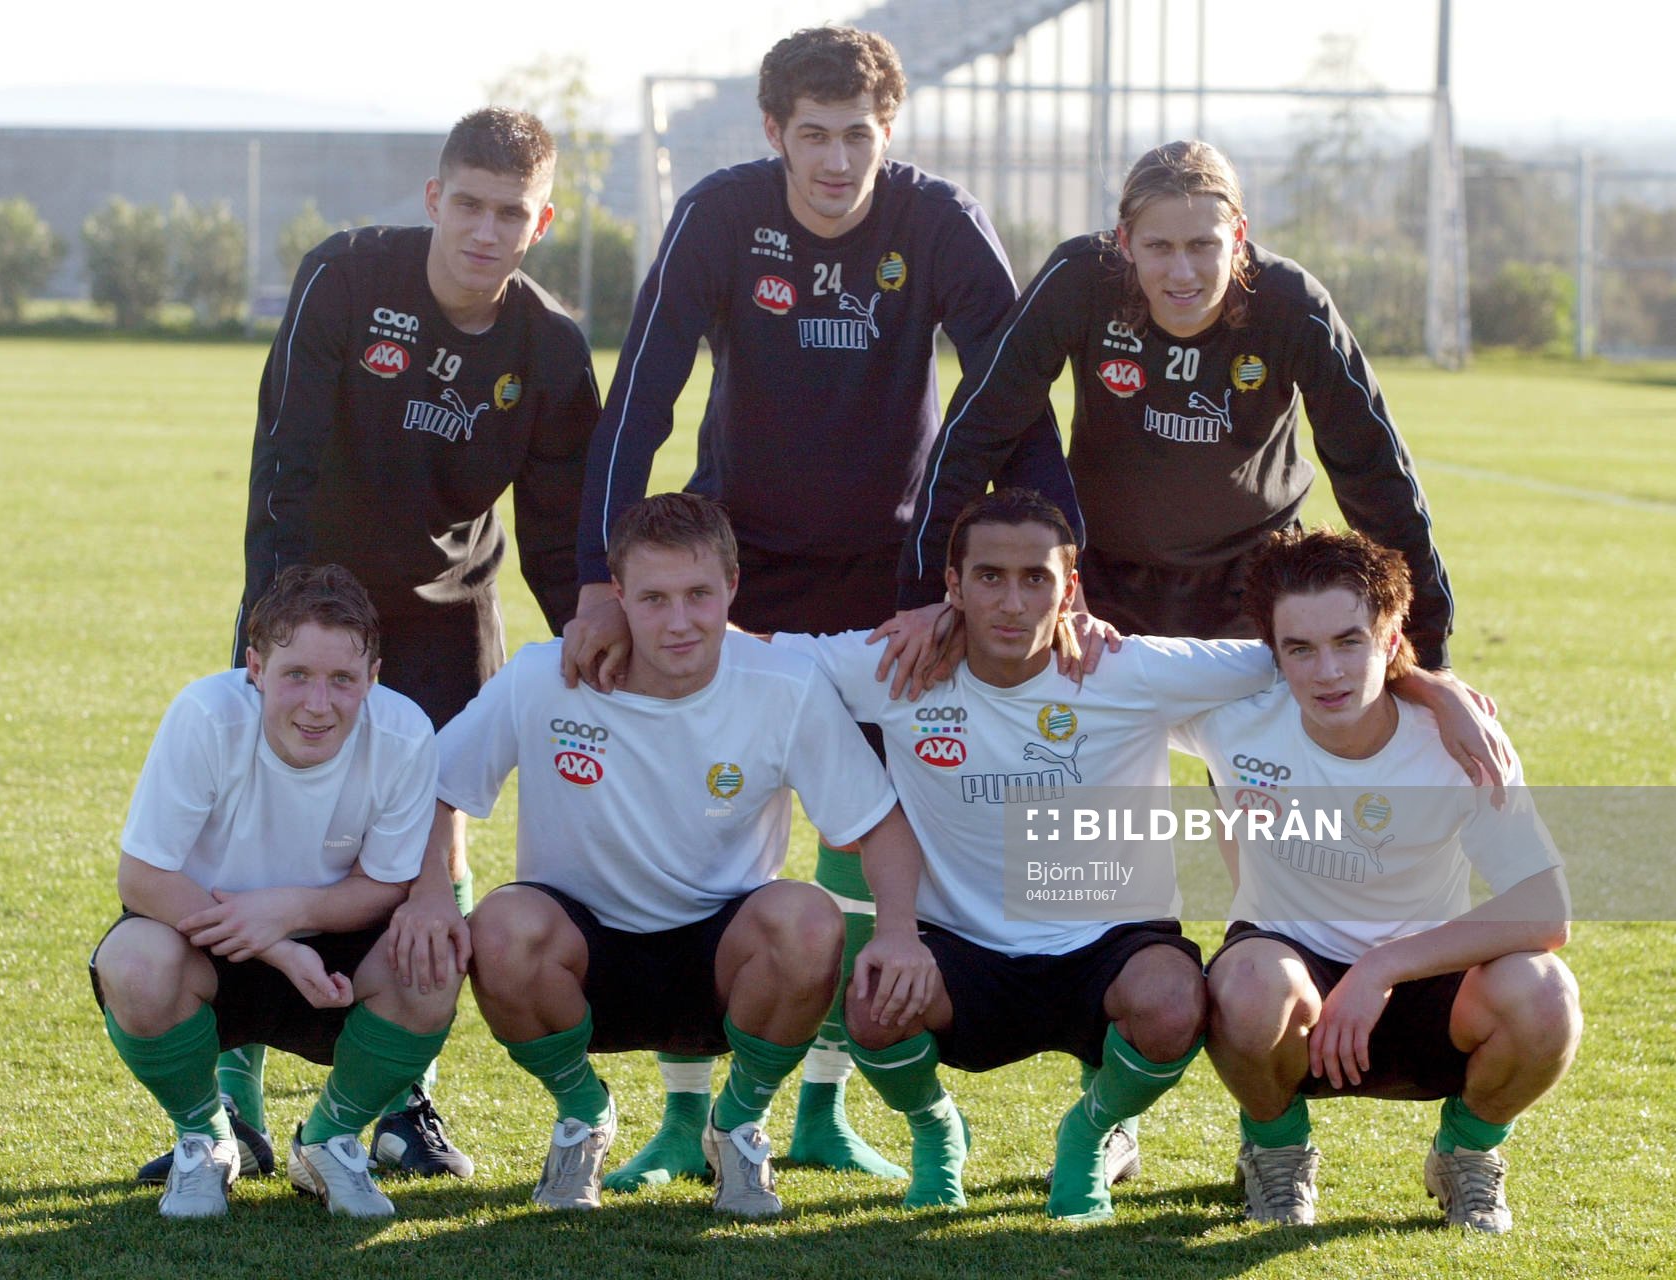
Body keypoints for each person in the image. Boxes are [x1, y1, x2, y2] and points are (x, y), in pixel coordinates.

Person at [563, 25, 1078, 1187]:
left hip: (880, 584)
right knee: (702, 819)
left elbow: (1014, 407)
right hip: (729, 569)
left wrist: (1046, 570)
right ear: (773, 133)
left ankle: (821, 1106)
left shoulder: (938, 222)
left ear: (888, 133)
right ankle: (685, 1109)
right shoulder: (720, 213)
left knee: (862, 829)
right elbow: (641, 390)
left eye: (857, 135)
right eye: (813, 136)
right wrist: (601, 574)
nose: (836, 160)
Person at [196, 105, 601, 1183]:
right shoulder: (347, 276)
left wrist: (591, 649)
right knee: (252, 832)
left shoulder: (552, 348)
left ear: (540, 220)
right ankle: (231, 1106)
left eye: (508, 211)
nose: (484, 228)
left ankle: (397, 1099)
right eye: (466, 202)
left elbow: (560, 534)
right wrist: (270, 623)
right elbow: (281, 456)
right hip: (309, 598)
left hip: (443, 611)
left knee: (433, 853)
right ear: (434, 198)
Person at [770, 489, 1288, 1216]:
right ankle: (935, 1131)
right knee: (872, 1004)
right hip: (963, 948)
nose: (1012, 602)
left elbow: (1296, 657)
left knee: (1173, 1004)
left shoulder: (1128, 669)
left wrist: (1433, 688)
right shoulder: (897, 665)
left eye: (1035, 579)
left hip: (1108, 944)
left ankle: (1091, 1133)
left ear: (1070, 590)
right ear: (950, 587)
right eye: (988, 577)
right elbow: (750, 658)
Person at [435, 493, 934, 1217]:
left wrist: (897, 931)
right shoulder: (547, 678)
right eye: (654, 598)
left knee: (809, 919)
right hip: (582, 956)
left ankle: (736, 1126)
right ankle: (583, 1116)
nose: (678, 621)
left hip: (723, 962)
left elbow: (880, 823)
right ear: (618, 597)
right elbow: (438, 788)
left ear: (732, 587)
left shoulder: (781, 685)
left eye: (699, 594)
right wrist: (428, 898)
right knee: (501, 926)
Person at [895, 139, 1456, 674]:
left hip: (1252, 580)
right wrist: (923, 594)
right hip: (1105, 578)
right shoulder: (1079, 281)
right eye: (1159, 246)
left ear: (1237, 235)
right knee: (1082, 767)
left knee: (1258, 774)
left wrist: (1430, 649)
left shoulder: (1291, 306)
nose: (1181, 272)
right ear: (1124, 241)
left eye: (1202, 245)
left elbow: (1374, 466)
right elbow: (978, 429)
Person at [1171, 527, 1580, 1231]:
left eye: (1349, 641)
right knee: (1244, 986)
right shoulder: (1234, 713)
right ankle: (1275, 1154)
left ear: (1391, 641)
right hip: (1291, 976)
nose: (1327, 671)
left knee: (1545, 997)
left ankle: (1467, 1154)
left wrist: (1382, 968)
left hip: (1427, 987)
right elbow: (1082, 669)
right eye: (1300, 648)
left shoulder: (1458, 740)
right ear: (1272, 652)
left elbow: (1549, 910)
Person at [89, 566, 465, 1219]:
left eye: (343, 680)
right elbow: (143, 878)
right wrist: (279, 948)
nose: (318, 704)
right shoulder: (206, 715)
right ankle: (206, 1138)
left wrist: (290, 914)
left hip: (336, 960)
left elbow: (385, 885)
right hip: (210, 943)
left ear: (373, 678)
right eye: (296, 675)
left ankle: (329, 1139)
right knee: (134, 962)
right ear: (256, 668)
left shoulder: (404, 734)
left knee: (429, 962)